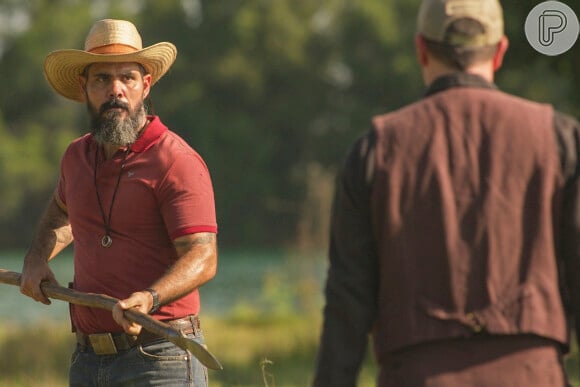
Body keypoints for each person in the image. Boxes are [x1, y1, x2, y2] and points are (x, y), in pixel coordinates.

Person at [313, 0, 580, 386]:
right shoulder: (560, 140)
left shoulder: (376, 149)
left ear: (421, 48)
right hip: (532, 374)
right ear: (501, 50)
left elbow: (347, 305)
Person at [19, 19, 218, 386]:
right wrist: (35, 259)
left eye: (127, 78)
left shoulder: (175, 161)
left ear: (145, 85)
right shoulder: (75, 157)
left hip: (162, 357)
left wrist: (149, 297)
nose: (116, 90)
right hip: (87, 361)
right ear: (84, 88)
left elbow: (203, 257)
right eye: (101, 80)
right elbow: (62, 215)